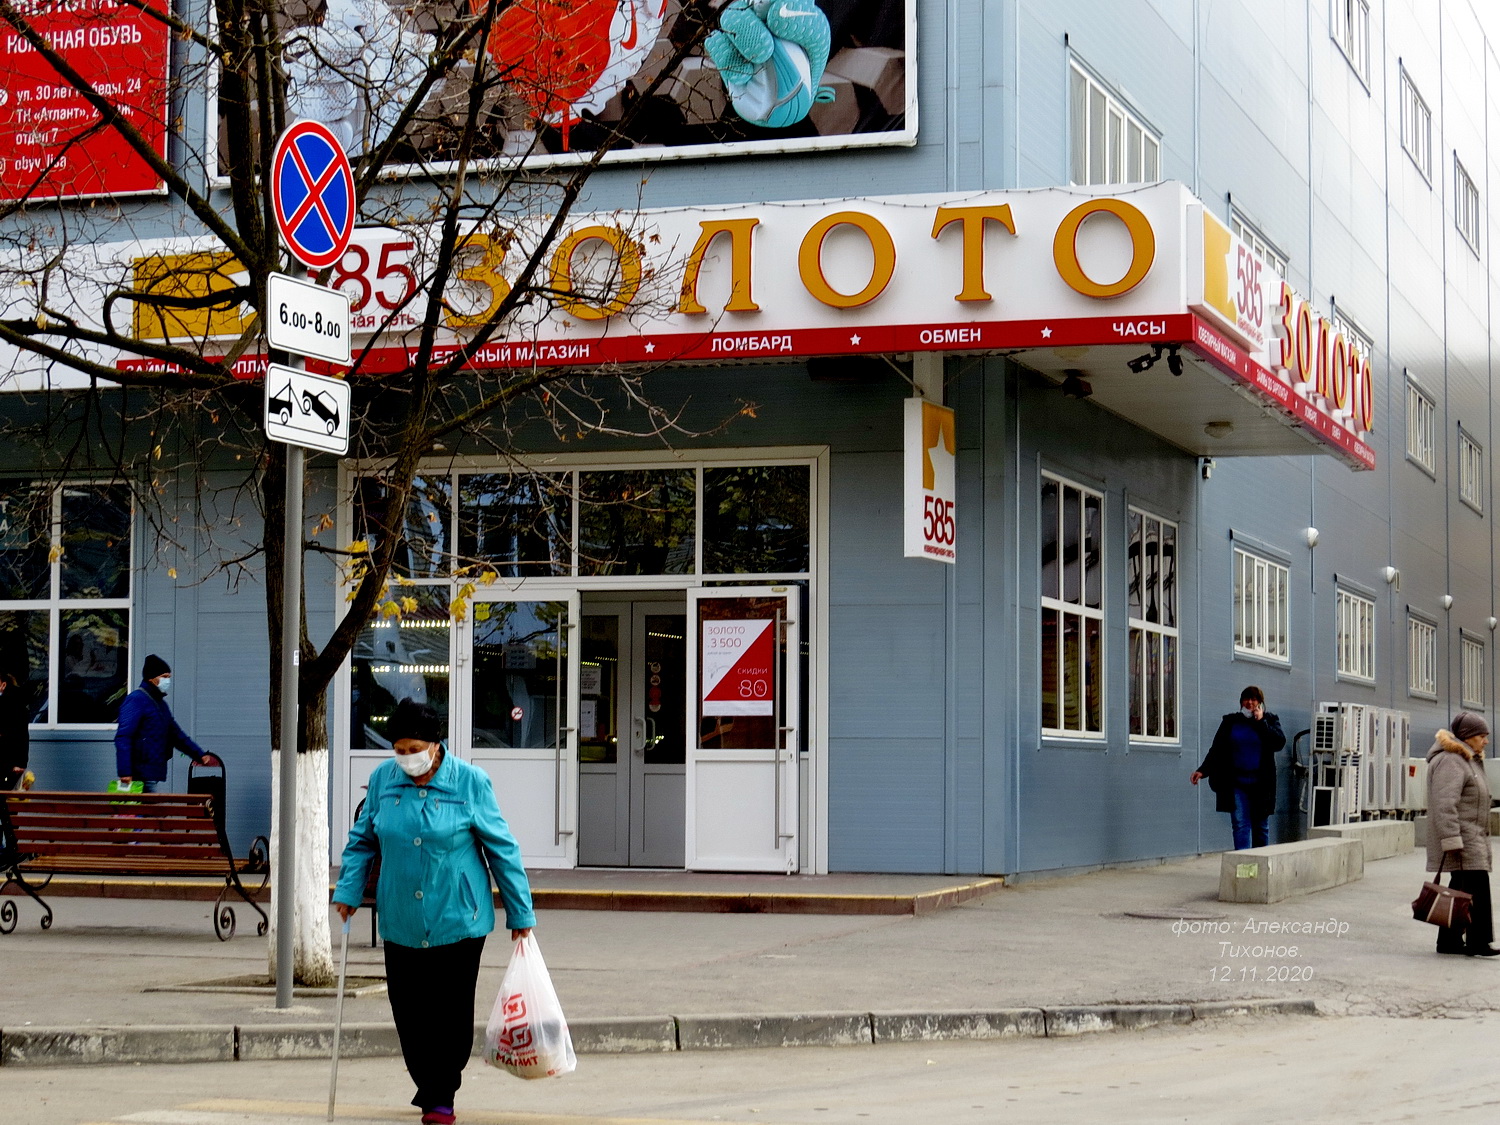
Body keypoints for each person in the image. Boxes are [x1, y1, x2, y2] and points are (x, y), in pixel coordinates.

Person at [333, 698, 535, 1125]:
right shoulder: (383, 780)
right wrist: (348, 889)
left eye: (413, 749)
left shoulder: (470, 782)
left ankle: (441, 1095)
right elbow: (362, 840)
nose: (406, 759)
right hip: (400, 915)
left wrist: (521, 913)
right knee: (407, 1009)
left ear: (435, 744)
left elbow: (503, 849)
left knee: (449, 1011)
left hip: (458, 918)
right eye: (399, 750)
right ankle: (428, 1082)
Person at [1425, 711, 1498, 957]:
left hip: (1471, 837)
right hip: (1463, 839)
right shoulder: (1451, 761)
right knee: (1472, 890)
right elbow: (1444, 803)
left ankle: (1450, 942)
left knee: (1461, 891)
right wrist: (1451, 838)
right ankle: (1477, 942)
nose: (1486, 741)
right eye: (1481, 736)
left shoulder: (1467, 760)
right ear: (1467, 737)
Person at [1190, 685, 1286, 850]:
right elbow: (1217, 749)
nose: (1249, 702)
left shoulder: (1270, 720)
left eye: (1254, 699)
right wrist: (1203, 770)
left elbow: (1278, 743)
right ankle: (1244, 866)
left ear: (1260, 703)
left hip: (1261, 784)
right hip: (1237, 783)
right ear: (1241, 702)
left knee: (1260, 826)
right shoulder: (1231, 722)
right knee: (1240, 824)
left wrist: (1261, 721)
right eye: (1246, 699)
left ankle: (1260, 864)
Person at [114, 655, 212, 793]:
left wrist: (199, 754)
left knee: (148, 812)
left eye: (169, 677)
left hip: (151, 772)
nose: (167, 681)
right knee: (146, 812)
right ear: (151, 678)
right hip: (138, 774)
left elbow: (176, 734)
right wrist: (125, 771)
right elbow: (123, 737)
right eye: (164, 676)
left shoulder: (159, 704)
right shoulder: (136, 700)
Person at [0, 671, 29, 791]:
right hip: (8, 762)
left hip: (8, 762)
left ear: (3, 685)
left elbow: (20, 735)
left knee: (6, 797)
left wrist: (19, 763)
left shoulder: (13, 705)